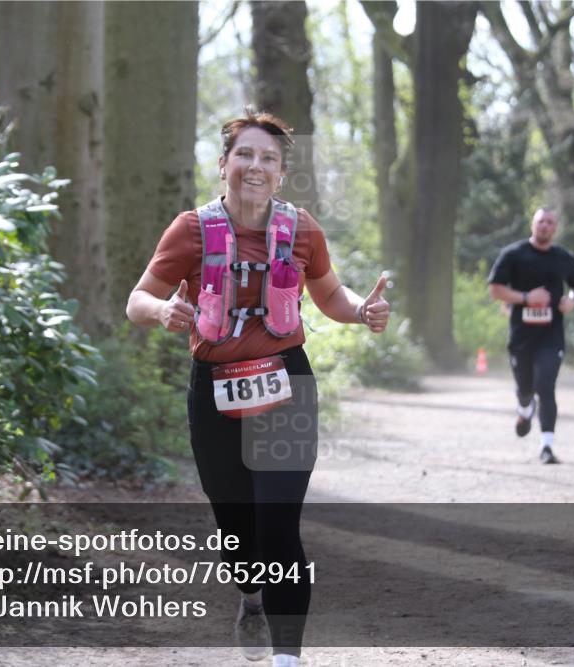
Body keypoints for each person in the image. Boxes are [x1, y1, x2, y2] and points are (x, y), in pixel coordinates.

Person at [126, 110, 390, 667]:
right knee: (237, 528)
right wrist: (164, 309)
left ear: (281, 173)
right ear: (223, 165)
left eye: (268, 158)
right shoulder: (191, 230)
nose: (255, 166)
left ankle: (286, 657)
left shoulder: (302, 229)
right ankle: (250, 596)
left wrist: (362, 311)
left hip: (285, 383)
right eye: (244, 154)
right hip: (214, 390)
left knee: (278, 522)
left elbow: (330, 297)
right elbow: (137, 300)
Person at [488, 207, 574, 464]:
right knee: (525, 388)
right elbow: (495, 289)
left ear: (555, 228)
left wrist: (573, 301)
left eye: (550, 222)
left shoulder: (563, 257)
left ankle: (546, 447)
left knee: (545, 386)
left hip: (551, 336)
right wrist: (525, 298)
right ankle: (524, 408)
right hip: (521, 336)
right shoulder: (513, 255)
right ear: (533, 224)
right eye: (540, 221)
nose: (544, 225)